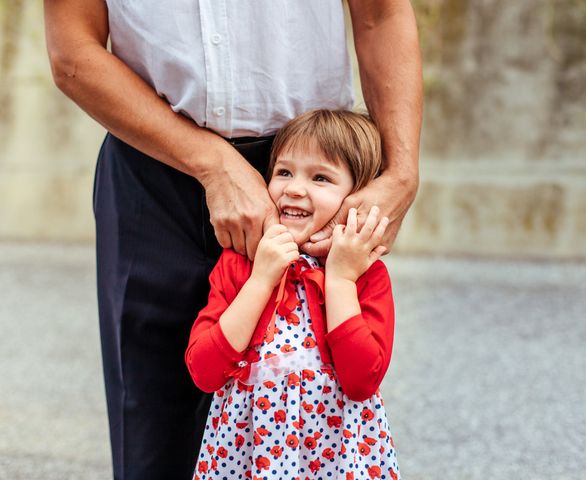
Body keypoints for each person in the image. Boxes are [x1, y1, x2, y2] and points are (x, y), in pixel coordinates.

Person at [44, 1, 422, 478]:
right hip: (151, 167)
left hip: (306, 152)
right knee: (149, 434)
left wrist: (401, 175)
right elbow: (73, 52)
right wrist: (212, 162)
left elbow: (380, 14)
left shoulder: (322, 222)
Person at [187, 109, 399, 479]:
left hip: (337, 459)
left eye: (320, 177)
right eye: (284, 172)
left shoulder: (366, 274)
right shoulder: (241, 263)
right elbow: (205, 372)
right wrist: (261, 280)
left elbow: (361, 380)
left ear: (355, 196)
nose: (295, 188)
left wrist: (340, 279)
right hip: (252, 457)